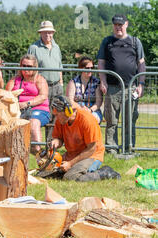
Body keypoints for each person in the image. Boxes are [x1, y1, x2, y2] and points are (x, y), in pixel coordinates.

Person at [97, 14, 146, 153]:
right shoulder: (107, 42)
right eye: (116, 25)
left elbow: (141, 64)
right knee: (111, 121)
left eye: (120, 24)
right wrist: (103, 81)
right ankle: (111, 149)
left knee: (130, 120)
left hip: (131, 88)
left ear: (126, 24)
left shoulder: (135, 42)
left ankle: (128, 148)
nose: (118, 27)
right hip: (111, 88)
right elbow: (101, 62)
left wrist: (141, 84)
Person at [49, 95, 108, 182]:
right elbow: (59, 138)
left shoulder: (87, 120)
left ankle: (104, 173)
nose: (56, 118)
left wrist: (70, 164)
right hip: (73, 154)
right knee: (48, 172)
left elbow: (91, 149)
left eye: (58, 115)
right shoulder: (61, 120)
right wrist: (56, 141)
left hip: (92, 155)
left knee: (71, 177)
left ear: (68, 111)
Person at [5, 54, 50, 155]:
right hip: (18, 110)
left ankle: (39, 153)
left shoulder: (39, 79)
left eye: (29, 66)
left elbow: (43, 96)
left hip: (39, 109)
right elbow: (6, 94)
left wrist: (26, 103)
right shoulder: (14, 80)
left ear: (34, 67)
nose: (26, 69)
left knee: (33, 122)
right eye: (23, 66)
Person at [66, 56, 103, 124]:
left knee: (91, 119)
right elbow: (70, 100)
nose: (90, 70)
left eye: (92, 68)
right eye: (87, 68)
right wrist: (81, 109)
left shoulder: (96, 82)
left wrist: (90, 110)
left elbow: (99, 102)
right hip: (76, 109)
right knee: (72, 117)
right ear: (81, 68)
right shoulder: (73, 82)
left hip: (93, 110)